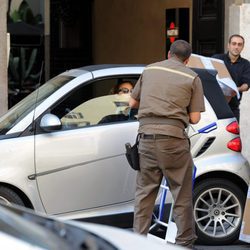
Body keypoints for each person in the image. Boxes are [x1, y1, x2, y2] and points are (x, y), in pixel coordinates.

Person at [129, 40, 205, 249]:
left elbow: (132, 103)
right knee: (181, 194)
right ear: (187, 60)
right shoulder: (192, 77)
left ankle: (137, 242)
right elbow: (196, 118)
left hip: (146, 140)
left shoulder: (150, 69)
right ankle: (184, 243)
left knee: (144, 195)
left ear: (168, 53)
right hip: (173, 143)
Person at [212, 34, 250, 121]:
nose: (236, 47)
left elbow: (246, 85)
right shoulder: (217, 59)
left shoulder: (246, 64)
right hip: (214, 106)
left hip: (232, 109)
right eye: (234, 43)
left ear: (243, 47)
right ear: (228, 45)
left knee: (232, 134)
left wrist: (237, 89)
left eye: (239, 44)